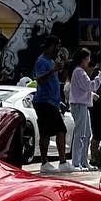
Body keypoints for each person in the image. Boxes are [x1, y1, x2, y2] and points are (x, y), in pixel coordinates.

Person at [32, 35, 70, 173]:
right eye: (57, 46)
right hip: (44, 101)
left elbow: (59, 78)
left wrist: (62, 67)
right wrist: (53, 70)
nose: (58, 50)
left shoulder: (51, 61)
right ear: (51, 46)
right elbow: (40, 79)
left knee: (48, 132)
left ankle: (48, 163)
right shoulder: (42, 61)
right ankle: (58, 162)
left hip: (51, 102)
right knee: (59, 130)